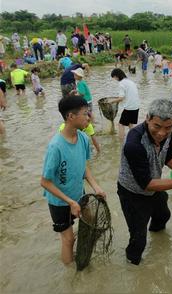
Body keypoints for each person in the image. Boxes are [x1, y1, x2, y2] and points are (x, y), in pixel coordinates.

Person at [117, 98, 172, 265]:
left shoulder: (168, 133)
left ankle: (159, 241)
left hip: (155, 187)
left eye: (168, 127)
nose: (161, 133)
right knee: (138, 239)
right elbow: (147, 184)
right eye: (156, 126)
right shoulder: (134, 143)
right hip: (133, 193)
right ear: (147, 118)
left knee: (163, 215)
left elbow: (169, 156)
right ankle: (132, 265)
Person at [40, 95, 106, 265]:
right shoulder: (56, 146)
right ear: (71, 117)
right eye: (85, 113)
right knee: (68, 240)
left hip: (79, 195)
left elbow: (84, 167)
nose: (89, 117)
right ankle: (70, 275)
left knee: (91, 221)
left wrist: (96, 186)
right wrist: (70, 202)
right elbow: (45, 182)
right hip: (60, 202)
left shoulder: (83, 138)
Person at [110, 68, 140, 140]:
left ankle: (121, 142)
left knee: (120, 124)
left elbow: (121, 98)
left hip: (129, 107)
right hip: (136, 106)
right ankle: (133, 138)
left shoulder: (121, 83)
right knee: (130, 124)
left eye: (114, 77)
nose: (114, 79)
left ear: (117, 76)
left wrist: (111, 101)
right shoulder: (129, 81)